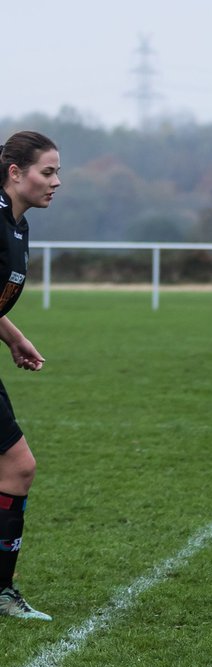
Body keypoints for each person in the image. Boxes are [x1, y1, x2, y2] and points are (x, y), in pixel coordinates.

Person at [0, 131, 61, 621]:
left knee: (17, 468)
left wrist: (14, 337)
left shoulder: (16, 225)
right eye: (48, 171)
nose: (56, 182)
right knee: (18, 467)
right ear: (15, 172)